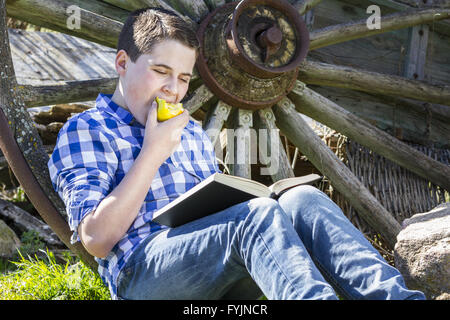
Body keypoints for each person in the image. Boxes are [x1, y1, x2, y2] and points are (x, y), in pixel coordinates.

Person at [48, 7, 425, 300]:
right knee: (254, 216)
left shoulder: (191, 132)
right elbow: (96, 240)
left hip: (217, 266)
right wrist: (152, 152)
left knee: (303, 200)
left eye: (182, 78)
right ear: (122, 63)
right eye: (161, 71)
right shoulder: (89, 130)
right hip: (144, 272)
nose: (172, 90)